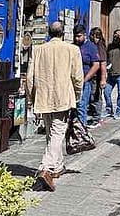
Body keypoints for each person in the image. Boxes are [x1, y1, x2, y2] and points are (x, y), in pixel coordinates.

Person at [26, 21, 83, 192]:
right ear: (63, 33)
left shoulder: (38, 50)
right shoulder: (72, 50)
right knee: (57, 133)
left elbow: (29, 78)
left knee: (51, 133)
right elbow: (78, 77)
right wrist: (77, 95)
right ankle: (45, 168)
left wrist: (32, 98)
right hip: (62, 96)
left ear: (49, 33)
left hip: (43, 97)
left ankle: (57, 166)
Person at [75, 25, 101, 127]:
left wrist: (85, 79)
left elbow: (96, 65)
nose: (77, 39)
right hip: (73, 81)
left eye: (79, 36)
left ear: (84, 35)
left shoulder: (91, 47)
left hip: (85, 81)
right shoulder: (73, 46)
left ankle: (82, 128)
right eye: (75, 36)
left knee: (82, 105)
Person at [89, 27, 108, 122]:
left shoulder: (100, 47)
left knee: (96, 96)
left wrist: (103, 79)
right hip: (90, 75)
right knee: (91, 96)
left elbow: (103, 63)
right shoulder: (91, 46)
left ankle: (96, 117)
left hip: (97, 76)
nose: (94, 38)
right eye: (93, 36)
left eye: (96, 36)